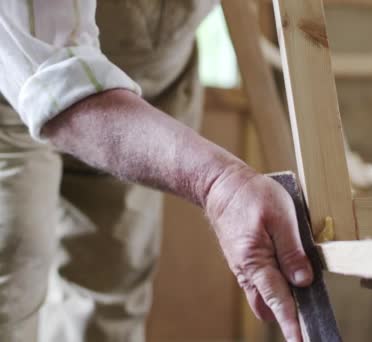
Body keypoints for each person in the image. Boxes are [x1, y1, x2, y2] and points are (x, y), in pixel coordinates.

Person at [0, 1, 312, 341]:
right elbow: (58, 83)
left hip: (148, 83)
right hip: (16, 82)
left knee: (112, 286)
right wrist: (218, 183)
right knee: (12, 274)